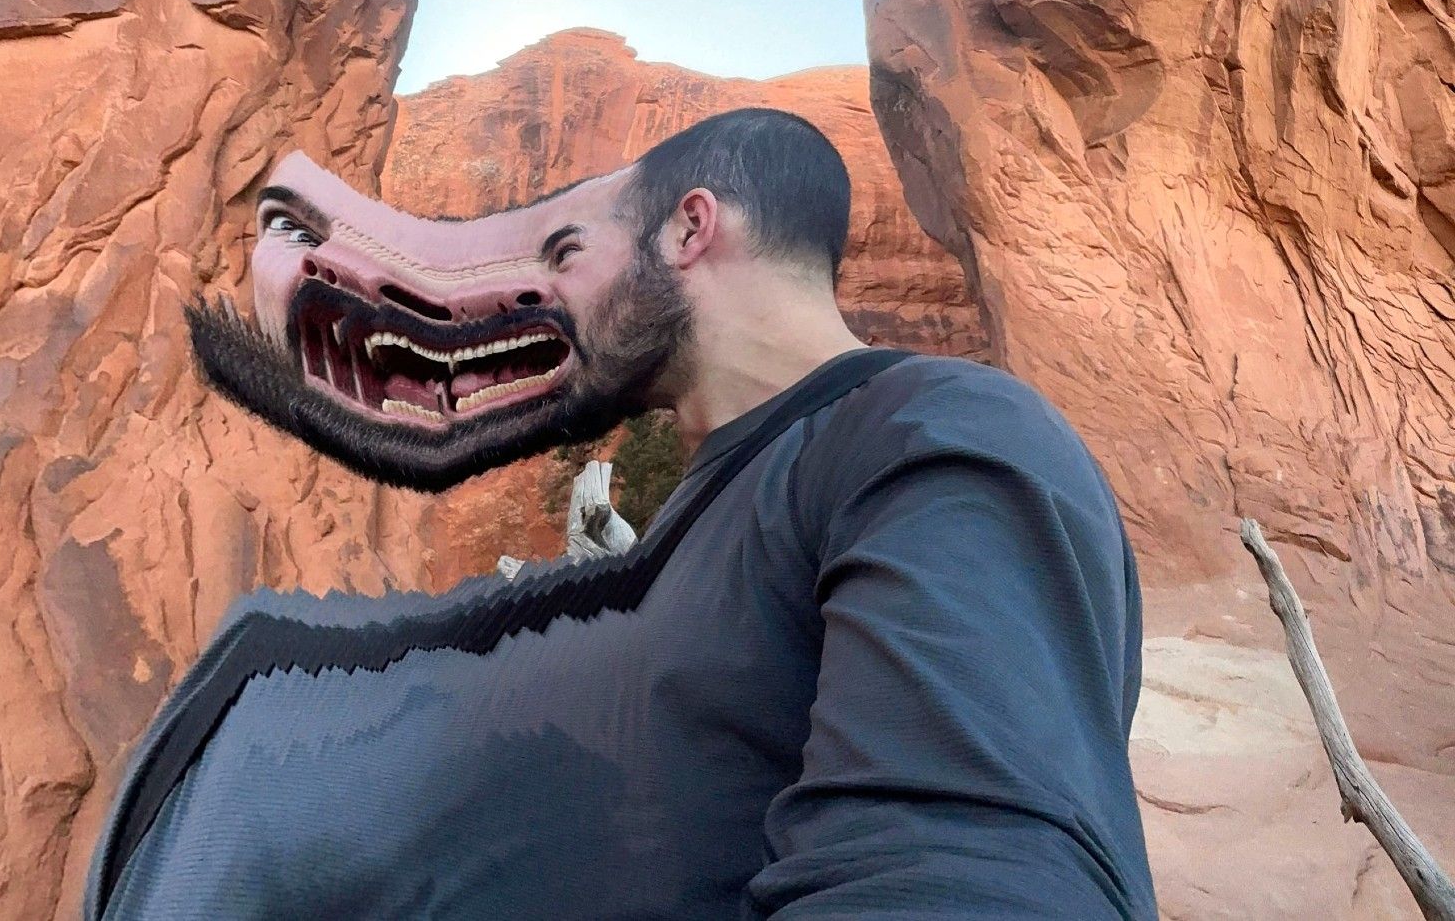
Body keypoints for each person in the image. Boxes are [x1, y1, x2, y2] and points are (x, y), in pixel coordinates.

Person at [84, 108, 1156, 918]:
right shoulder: (726, 487)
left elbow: (966, 873)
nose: (531, 300)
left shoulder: (936, 427)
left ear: (689, 229)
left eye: (562, 254)